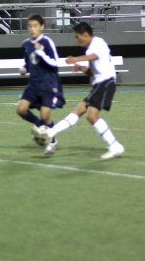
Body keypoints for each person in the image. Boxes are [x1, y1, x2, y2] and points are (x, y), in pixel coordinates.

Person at [34, 21, 124, 160]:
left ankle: (114, 145)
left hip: (105, 83)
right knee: (78, 110)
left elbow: (94, 56)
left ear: (86, 34)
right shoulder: (90, 48)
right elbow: (93, 71)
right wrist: (82, 68)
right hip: (100, 84)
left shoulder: (97, 43)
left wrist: (76, 59)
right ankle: (51, 132)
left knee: (91, 116)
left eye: (77, 37)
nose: (76, 40)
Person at [16, 13, 65, 156]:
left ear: (42, 27)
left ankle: (53, 139)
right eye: (30, 26)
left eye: (35, 26)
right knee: (20, 109)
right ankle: (40, 126)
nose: (32, 29)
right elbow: (28, 62)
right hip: (33, 85)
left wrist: (41, 52)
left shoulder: (47, 42)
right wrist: (24, 68)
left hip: (48, 85)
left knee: (45, 115)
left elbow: (55, 63)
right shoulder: (26, 44)